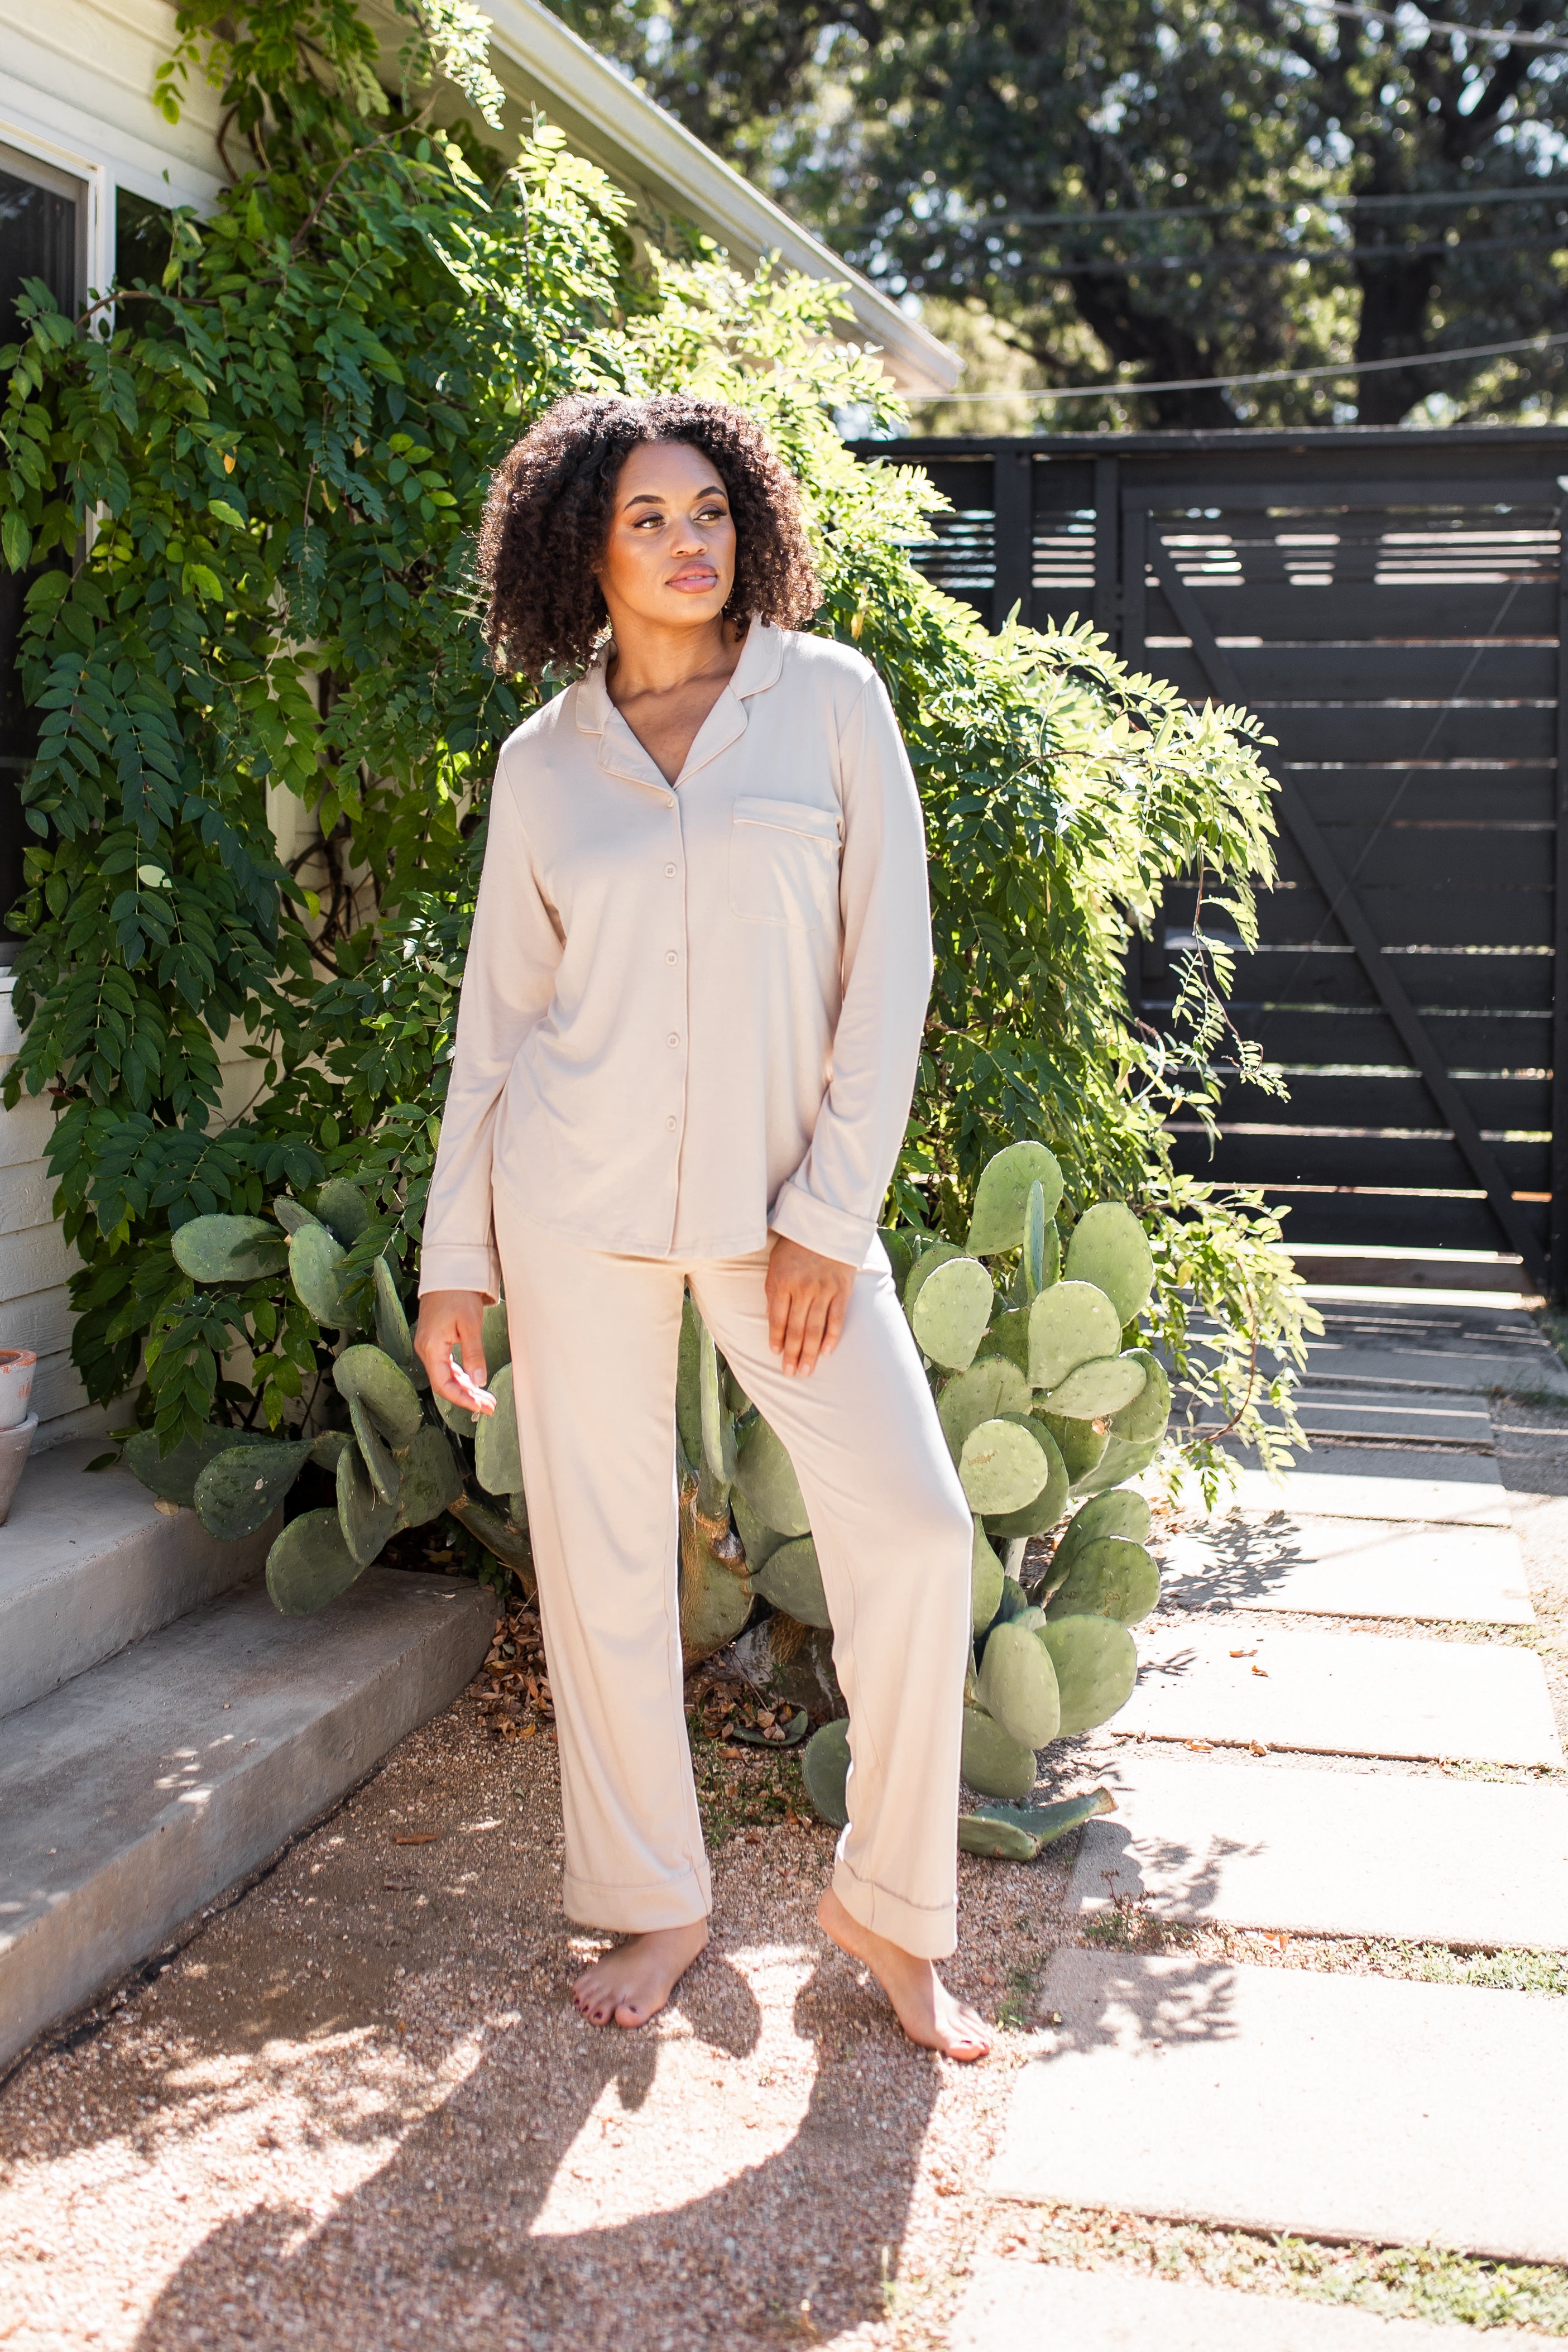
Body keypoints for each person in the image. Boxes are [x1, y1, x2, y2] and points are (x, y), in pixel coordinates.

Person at [414, 392, 988, 2062]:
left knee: (916, 1528)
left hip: (776, 1212)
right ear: (584, 546)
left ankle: (886, 1906)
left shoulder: (826, 704)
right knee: (596, 1563)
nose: (688, 542)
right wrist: (460, 1258)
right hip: (574, 1198)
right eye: (649, 517)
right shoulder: (543, 764)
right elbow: (497, 1025)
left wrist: (828, 1213)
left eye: (710, 511)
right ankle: (656, 1900)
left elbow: (890, 968)